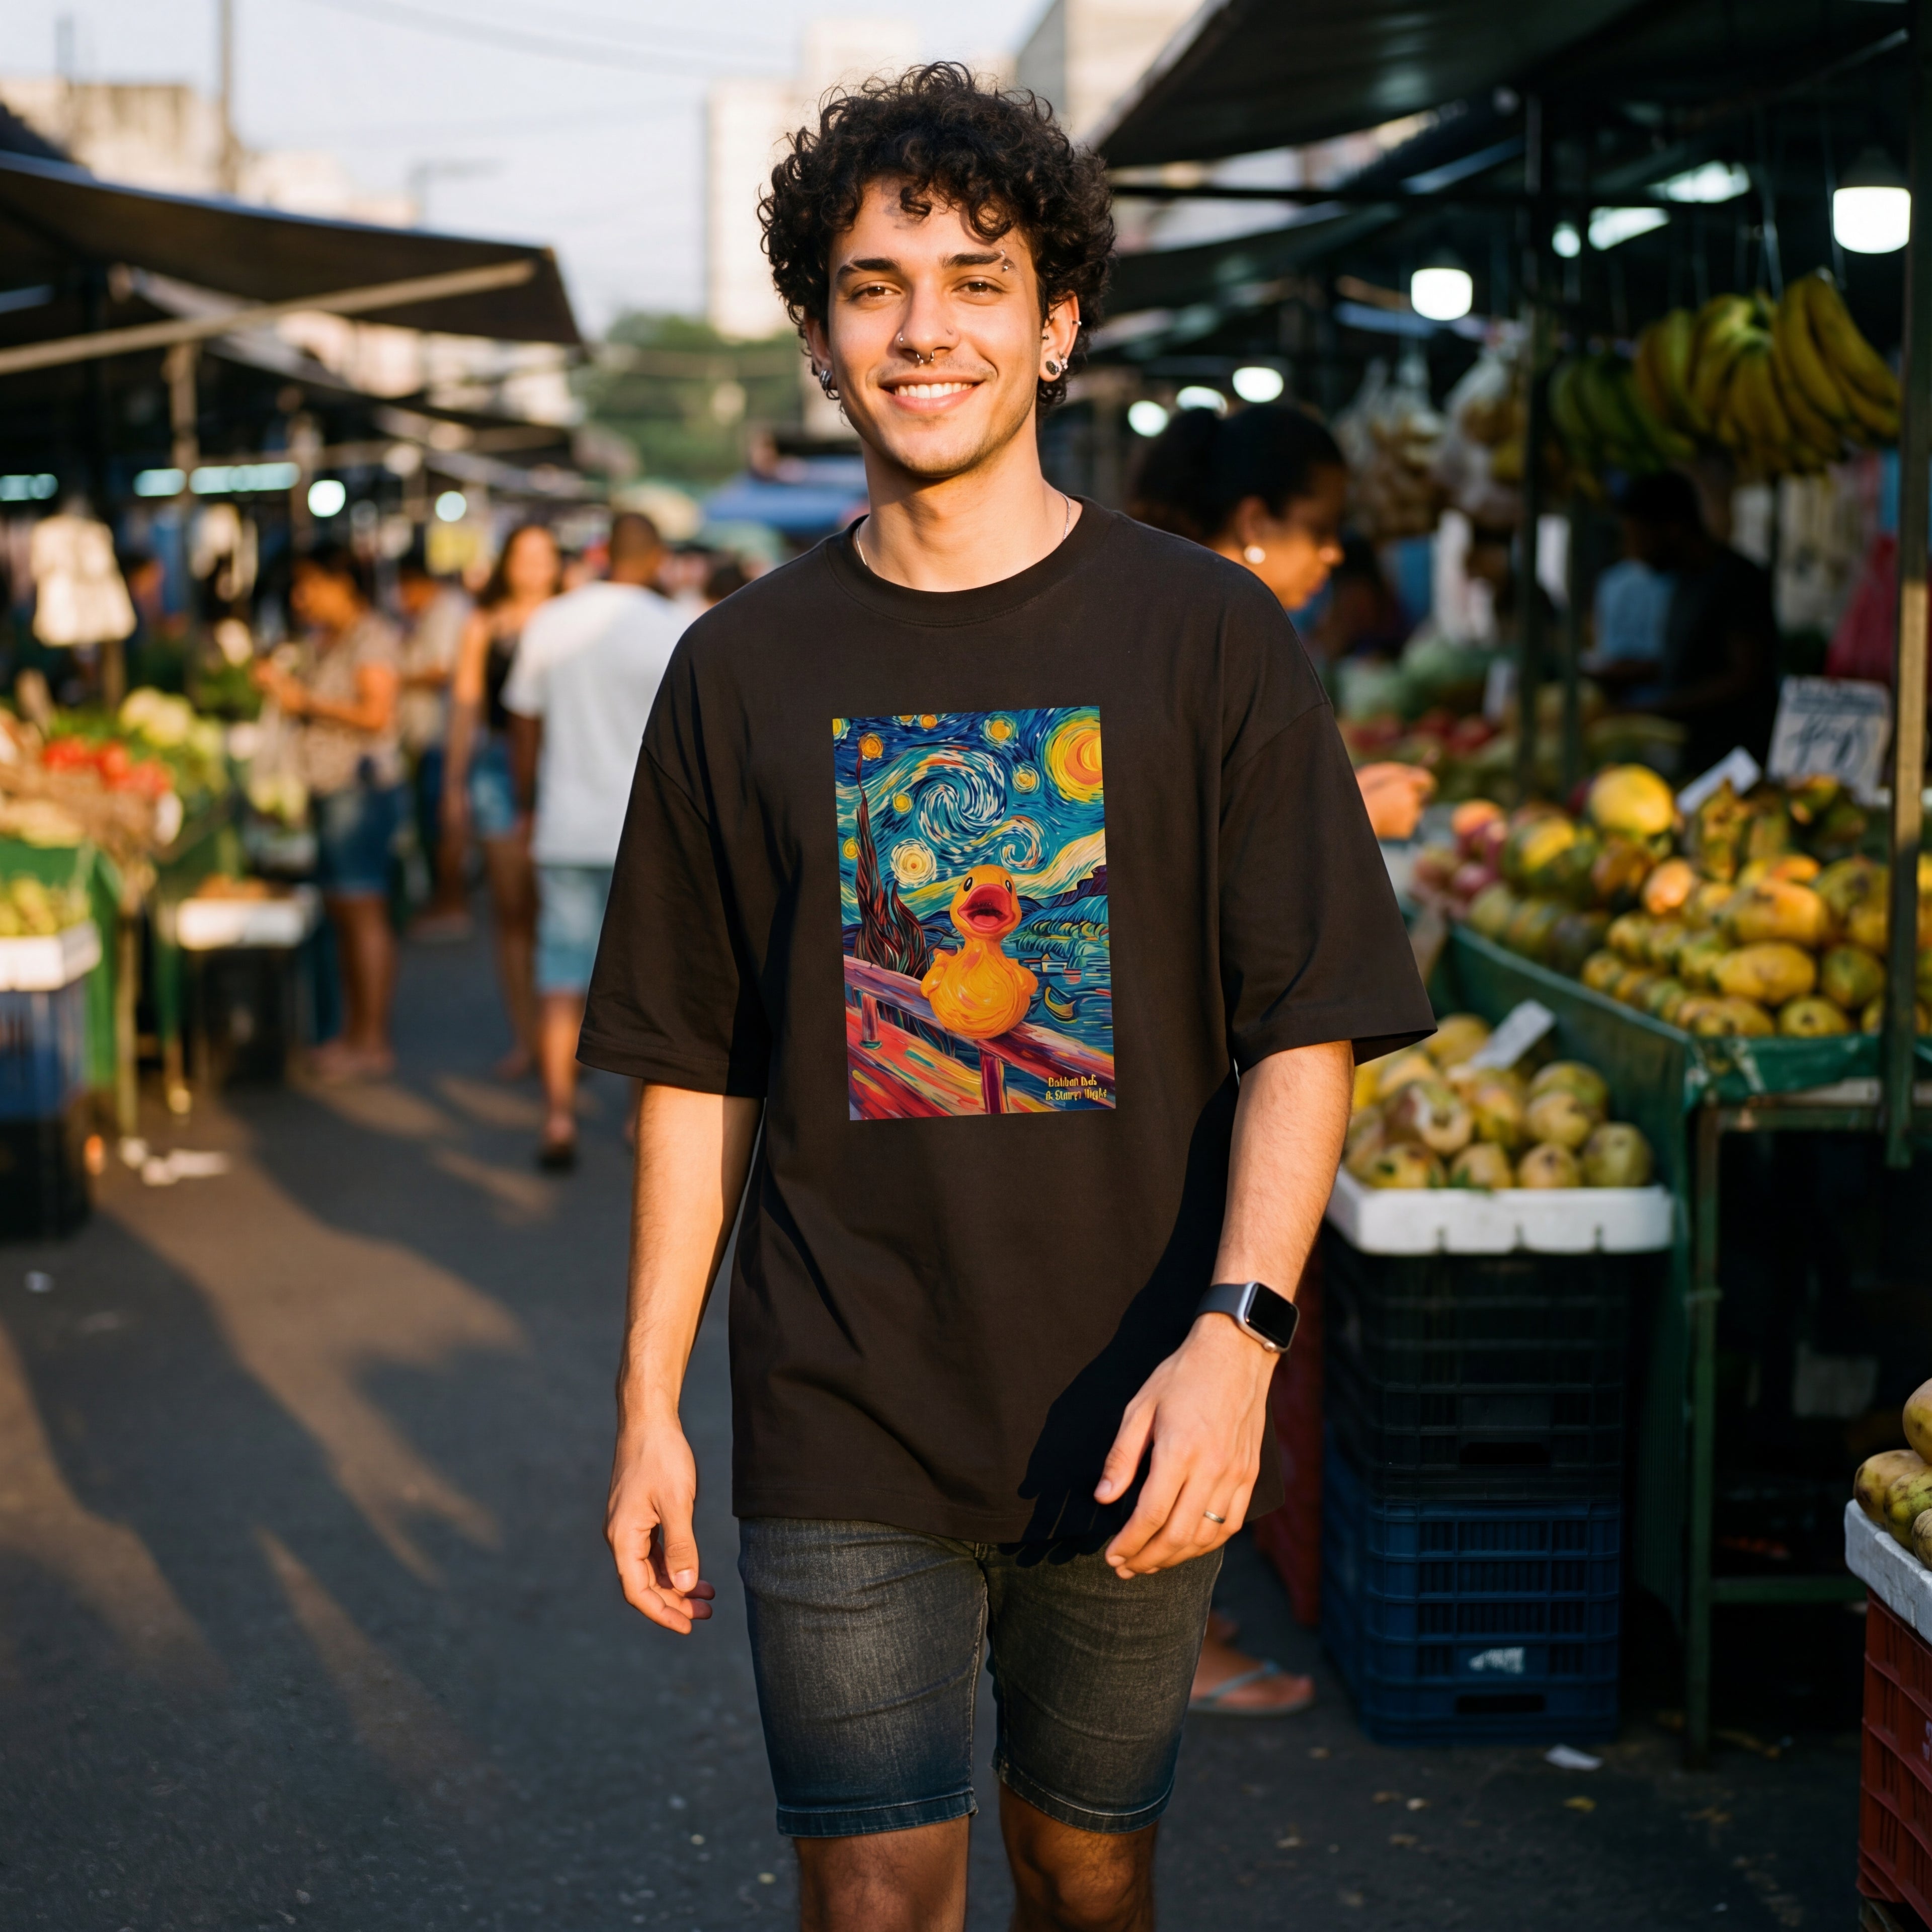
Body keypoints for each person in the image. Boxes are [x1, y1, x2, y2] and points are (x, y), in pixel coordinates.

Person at [586, 64, 1431, 1932]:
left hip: (1138, 1385)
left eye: (977, 280)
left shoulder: (1210, 634)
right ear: (820, 337)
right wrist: (650, 1400)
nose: (925, 328)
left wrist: (1241, 1338)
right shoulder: (738, 670)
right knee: (876, 1898)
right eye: (876, 286)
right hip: (842, 1399)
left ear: (1057, 327)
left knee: (1085, 1869)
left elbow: (1306, 1017)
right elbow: (692, 1061)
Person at [1133, 405, 1435, 847]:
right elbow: (1169, 839)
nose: (1334, 554)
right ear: (1255, 522)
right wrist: (1353, 819)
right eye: (1320, 530)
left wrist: (1338, 800)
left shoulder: (1195, 621)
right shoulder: (1194, 638)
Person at [501, 512, 686, 1170]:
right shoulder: (672, 627)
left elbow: (523, 725)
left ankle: (557, 1116)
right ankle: (641, 1120)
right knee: (644, 979)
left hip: (565, 823)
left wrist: (527, 802)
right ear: (658, 555)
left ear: (606, 553)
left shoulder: (552, 621)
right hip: (647, 832)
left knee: (561, 976)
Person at [254, 545, 405, 1081]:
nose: (301, 597)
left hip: (358, 792)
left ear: (342, 584)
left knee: (363, 911)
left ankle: (371, 1040)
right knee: (348, 913)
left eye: (309, 583)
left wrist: (303, 702)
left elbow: (376, 713)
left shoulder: (372, 637)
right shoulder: (331, 639)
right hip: (336, 791)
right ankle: (355, 1034)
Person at [443, 523, 560, 1077]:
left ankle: (562, 1037)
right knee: (512, 911)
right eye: (525, 555)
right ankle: (526, 1037)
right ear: (506, 562)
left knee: (557, 914)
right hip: (496, 770)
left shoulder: (571, 618)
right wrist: (453, 785)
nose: (536, 566)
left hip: (562, 769)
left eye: (545, 555)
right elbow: (466, 705)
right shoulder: (482, 625)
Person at [1613, 469, 1780, 775]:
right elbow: (1684, 661)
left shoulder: (1737, 579)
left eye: (1637, 537)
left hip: (1737, 763)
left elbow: (1744, 676)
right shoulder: (1684, 582)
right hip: (1696, 759)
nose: (1632, 551)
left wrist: (1651, 710)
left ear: (1673, 529)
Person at [395, 549, 472, 937]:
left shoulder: (448, 610)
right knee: (437, 820)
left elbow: (442, 670)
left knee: (444, 820)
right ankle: (446, 900)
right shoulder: (437, 612)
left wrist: (393, 679)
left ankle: (450, 902)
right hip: (434, 735)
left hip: (446, 735)